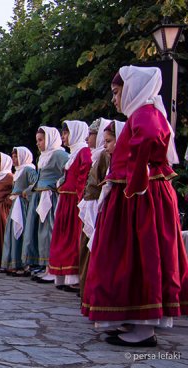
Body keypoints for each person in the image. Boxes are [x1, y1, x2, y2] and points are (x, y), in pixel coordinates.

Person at [82, 67, 188, 347]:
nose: (115, 100)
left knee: (142, 255)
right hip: (136, 197)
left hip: (141, 200)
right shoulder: (141, 114)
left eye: (117, 93)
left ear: (132, 90)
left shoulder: (146, 114)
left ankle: (144, 326)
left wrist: (135, 183)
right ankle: (130, 317)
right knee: (126, 257)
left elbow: (150, 141)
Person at [49, 120, 92, 291]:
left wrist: (80, 197)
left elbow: (84, 174)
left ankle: (73, 277)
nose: (63, 137)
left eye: (66, 133)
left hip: (74, 201)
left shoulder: (83, 152)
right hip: (66, 200)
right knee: (62, 238)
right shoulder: (73, 153)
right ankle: (63, 276)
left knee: (72, 239)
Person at [24, 127, 69, 283]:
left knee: (49, 232)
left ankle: (53, 268)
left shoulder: (59, 154)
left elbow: (69, 171)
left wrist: (57, 185)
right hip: (40, 197)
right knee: (40, 233)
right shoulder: (43, 156)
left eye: (41, 140)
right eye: (37, 140)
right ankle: (45, 266)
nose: (38, 143)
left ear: (50, 139)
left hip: (50, 198)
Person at [76, 119, 114, 292]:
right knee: (85, 248)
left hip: (96, 208)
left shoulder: (104, 156)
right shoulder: (97, 155)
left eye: (90, 134)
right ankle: (86, 290)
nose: (87, 138)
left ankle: (90, 290)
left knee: (91, 249)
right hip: (90, 207)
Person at [1, 147, 37, 276]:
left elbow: (35, 184)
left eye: (16, 156)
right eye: (13, 156)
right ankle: (13, 263)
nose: (14, 159)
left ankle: (23, 264)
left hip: (23, 206)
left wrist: (25, 193)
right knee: (12, 233)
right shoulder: (18, 171)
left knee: (21, 233)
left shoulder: (28, 169)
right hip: (16, 205)